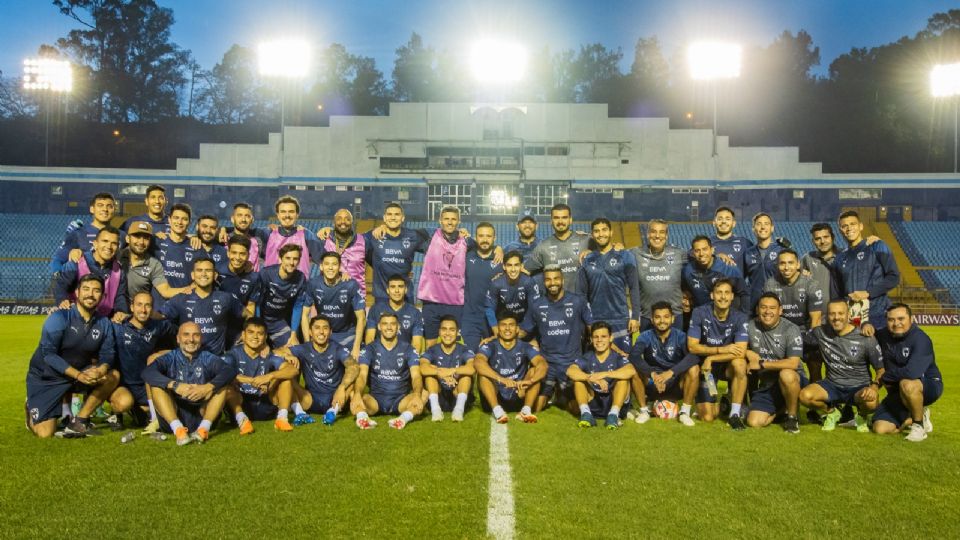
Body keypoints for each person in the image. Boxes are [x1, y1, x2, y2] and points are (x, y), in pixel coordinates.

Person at [25, 275, 126, 438]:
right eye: (86, 289)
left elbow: (108, 353)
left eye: (96, 290)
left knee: (112, 375)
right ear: (77, 293)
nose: (90, 294)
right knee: (45, 433)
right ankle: (31, 406)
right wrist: (78, 375)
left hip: (78, 374)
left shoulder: (104, 323)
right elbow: (48, 355)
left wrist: (101, 370)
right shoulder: (59, 318)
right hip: (48, 378)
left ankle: (80, 421)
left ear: (102, 296)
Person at [142, 322, 236, 445]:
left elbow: (229, 371)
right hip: (174, 414)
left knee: (222, 386)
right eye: (186, 335)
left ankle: (203, 430)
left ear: (201, 339)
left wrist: (207, 387)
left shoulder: (208, 357)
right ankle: (179, 431)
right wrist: (175, 385)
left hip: (202, 413)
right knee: (157, 385)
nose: (191, 340)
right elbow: (147, 372)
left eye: (196, 335)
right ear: (178, 338)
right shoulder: (170, 357)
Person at [799, 299, 884, 432]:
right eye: (832, 314)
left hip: (858, 387)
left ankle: (861, 416)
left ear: (848, 314)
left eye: (840, 313)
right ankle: (832, 413)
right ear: (827, 316)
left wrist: (874, 387)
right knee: (805, 396)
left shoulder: (865, 338)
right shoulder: (820, 332)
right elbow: (796, 339)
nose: (836, 317)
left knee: (871, 403)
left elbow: (881, 370)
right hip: (832, 385)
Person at [520, 265, 593, 412]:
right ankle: (551, 391)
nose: (552, 283)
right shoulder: (537, 305)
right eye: (548, 279)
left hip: (571, 363)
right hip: (548, 363)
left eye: (556, 279)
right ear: (544, 282)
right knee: (536, 407)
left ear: (563, 280)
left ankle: (562, 395)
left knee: (576, 409)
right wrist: (497, 337)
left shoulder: (578, 301)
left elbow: (593, 328)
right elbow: (523, 331)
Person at [873, 304, 942, 442]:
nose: (896, 323)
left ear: (912, 319)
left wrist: (885, 377)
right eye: (891, 320)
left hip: (928, 385)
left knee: (907, 383)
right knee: (880, 428)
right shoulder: (883, 335)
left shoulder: (921, 339)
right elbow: (869, 336)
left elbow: (912, 372)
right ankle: (914, 416)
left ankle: (918, 426)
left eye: (901, 319)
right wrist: (867, 327)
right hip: (897, 390)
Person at [688, 278, 750, 430]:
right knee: (707, 417)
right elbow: (692, 347)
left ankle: (734, 415)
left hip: (725, 365)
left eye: (727, 293)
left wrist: (711, 357)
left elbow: (740, 351)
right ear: (712, 295)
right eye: (719, 293)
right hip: (707, 369)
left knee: (740, 364)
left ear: (732, 297)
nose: (723, 297)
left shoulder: (740, 317)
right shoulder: (699, 313)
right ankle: (724, 405)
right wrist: (721, 350)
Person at [113, 291, 177, 433]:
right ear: (131, 307)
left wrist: (166, 353)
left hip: (146, 385)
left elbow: (179, 333)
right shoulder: (118, 327)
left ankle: (141, 410)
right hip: (125, 385)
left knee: (172, 409)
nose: (143, 310)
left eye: (147, 305)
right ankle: (117, 414)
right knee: (123, 403)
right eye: (139, 305)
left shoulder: (157, 326)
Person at [628, 301, 700, 427]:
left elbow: (693, 356)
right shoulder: (645, 336)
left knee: (694, 368)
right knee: (633, 369)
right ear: (652, 319)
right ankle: (644, 411)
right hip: (652, 385)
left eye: (666, 317)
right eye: (657, 317)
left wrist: (670, 373)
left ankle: (685, 412)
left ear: (672, 319)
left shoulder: (681, 336)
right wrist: (652, 374)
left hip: (675, 384)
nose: (662, 321)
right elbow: (633, 356)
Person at [224, 318, 299, 435]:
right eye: (251, 332)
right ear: (243, 335)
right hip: (242, 403)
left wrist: (269, 376)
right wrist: (250, 380)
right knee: (226, 386)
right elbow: (222, 373)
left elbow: (293, 370)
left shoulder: (268, 355)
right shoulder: (232, 354)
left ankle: (282, 419)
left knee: (286, 380)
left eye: (260, 334)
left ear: (265, 337)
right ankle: (242, 421)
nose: (255, 337)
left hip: (265, 404)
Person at [743, 293, 806, 433]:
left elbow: (793, 363)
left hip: (794, 380)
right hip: (768, 384)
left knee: (786, 374)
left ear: (780, 310)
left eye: (772, 308)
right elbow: (737, 347)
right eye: (763, 307)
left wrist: (761, 364)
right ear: (757, 309)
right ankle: (782, 409)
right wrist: (747, 352)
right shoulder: (750, 326)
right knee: (754, 422)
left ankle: (792, 417)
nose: (767, 312)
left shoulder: (791, 329)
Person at [351, 313, 425, 430]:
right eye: (385, 324)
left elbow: (416, 376)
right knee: (354, 394)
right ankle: (363, 419)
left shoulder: (409, 349)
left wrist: (416, 395)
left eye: (393, 324)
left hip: (401, 400)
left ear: (398, 327)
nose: (389, 327)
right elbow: (362, 376)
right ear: (379, 327)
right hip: (375, 401)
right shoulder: (369, 349)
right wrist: (357, 394)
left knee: (423, 394)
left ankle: (402, 419)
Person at [578, 218, 641, 352]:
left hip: (621, 319)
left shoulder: (625, 256)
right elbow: (581, 294)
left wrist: (635, 316)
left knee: (623, 361)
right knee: (598, 364)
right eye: (596, 231)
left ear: (611, 232)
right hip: (596, 320)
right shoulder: (587, 260)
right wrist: (587, 321)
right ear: (592, 234)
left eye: (604, 230)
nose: (601, 234)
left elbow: (634, 287)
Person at [159, 258, 245, 355]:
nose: (203, 274)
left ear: (215, 275)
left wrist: (245, 332)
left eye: (208, 270)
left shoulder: (226, 298)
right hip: (188, 359)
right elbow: (160, 316)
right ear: (192, 275)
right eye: (199, 270)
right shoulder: (180, 299)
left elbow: (247, 314)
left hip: (215, 359)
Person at [285, 315, 360, 426]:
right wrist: (287, 356)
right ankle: (300, 413)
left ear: (330, 332)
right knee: (285, 376)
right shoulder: (303, 348)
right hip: (309, 399)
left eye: (325, 328)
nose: (321, 332)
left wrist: (341, 387)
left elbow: (354, 367)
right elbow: (278, 351)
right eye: (317, 328)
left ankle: (336, 413)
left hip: (336, 399)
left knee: (353, 380)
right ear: (310, 332)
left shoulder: (338, 348)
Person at [834, 210, 900, 336]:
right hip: (853, 318)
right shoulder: (840, 258)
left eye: (852, 224)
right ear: (840, 230)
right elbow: (839, 292)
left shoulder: (876, 246)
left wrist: (868, 293)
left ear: (861, 226)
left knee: (882, 354)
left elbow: (894, 277)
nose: (849, 228)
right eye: (844, 226)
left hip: (878, 315)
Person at [474, 312, 547, 423]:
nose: (507, 328)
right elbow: (478, 362)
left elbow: (542, 364)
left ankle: (525, 411)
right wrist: (501, 379)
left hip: (519, 394)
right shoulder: (490, 345)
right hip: (496, 394)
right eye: (503, 325)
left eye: (511, 325)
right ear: (498, 329)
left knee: (534, 371)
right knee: (482, 375)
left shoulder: (526, 346)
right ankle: (497, 411)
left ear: (517, 329)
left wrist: (530, 381)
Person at [764, 249, 824, 384]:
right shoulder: (770, 284)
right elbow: (770, 315)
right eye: (782, 263)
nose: (786, 267)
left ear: (798, 265)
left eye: (790, 263)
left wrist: (810, 338)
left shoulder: (811, 284)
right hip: (781, 331)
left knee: (815, 357)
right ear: (777, 265)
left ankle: (815, 392)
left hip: (805, 330)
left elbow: (816, 319)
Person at [567, 322, 636, 429]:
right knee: (578, 381)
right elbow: (570, 371)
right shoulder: (587, 357)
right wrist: (590, 377)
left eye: (603, 336)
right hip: (594, 402)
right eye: (596, 337)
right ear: (591, 339)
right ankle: (586, 414)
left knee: (623, 380)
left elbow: (631, 371)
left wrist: (604, 374)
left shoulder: (617, 357)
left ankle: (613, 415)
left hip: (613, 402)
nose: (599, 340)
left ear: (610, 338)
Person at [54, 226, 128, 321]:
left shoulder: (119, 270)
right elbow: (61, 284)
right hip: (76, 320)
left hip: (104, 321)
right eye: (105, 241)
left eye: (114, 243)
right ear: (95, 244)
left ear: (118, 247)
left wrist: (120, 311)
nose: (109, 246)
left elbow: (120, 296)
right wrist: (62, 300)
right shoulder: (77, 262)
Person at [302, 251, 366, 361]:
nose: (330, 268)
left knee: (352, 366)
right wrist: (308, 343)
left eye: (334, 264)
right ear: (321, 267)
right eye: (327, 264)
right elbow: (304, 315)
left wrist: (356, 347)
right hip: (325, 334)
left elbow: (361, 317)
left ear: (340, 267)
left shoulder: (350, 284)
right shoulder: (313, 284)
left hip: (346, 335)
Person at [362, 203, 429, 304]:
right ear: (384, 218)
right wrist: (330, 232)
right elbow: (350, 241)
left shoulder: (412, 236)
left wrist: (458, 234)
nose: (393, 217)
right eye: (389, 214)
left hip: (405, 295)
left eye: (397, 214)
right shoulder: (374, 235)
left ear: (403, 218)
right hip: (382, 296)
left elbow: (436, 242)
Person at [631, 219, 686, 332]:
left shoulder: (678, 254)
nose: (657, 236)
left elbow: (701, 257)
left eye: (661, 232)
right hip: (648, 316)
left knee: (675, 349)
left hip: (674, 316)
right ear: (647, 234)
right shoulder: (636, 253)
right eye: (653, 231)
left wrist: (716, 256)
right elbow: (615, 253)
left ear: (666, 235)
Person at [524, 203, 591, 295]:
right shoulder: (543, 246)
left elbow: (608, 249)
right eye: (556, 218)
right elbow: (524, 270)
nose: (560, 221)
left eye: (564, 217)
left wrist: (617, 245)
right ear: (551, 221)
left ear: (570, 220)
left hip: (581, 303)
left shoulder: (585, 240)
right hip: (554, 304)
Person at [420, 316, 476, 422]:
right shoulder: (432, 350)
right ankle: (436, 410)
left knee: (466, 376)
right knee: (429, 376)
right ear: (439, 332)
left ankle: (459, 410)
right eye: (444, 329)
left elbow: (472, 367)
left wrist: (452, 371)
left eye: (452, 330)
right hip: (439, 394)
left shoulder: (464, 349)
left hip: (457, 394)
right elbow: (422, 367)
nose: (447, 333)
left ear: (457, 332)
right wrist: (440, 373)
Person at [251, 244, 308, 347]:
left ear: (299, 261)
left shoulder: (300, 278)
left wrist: (293, 334)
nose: (291, 262)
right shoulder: (266, 274)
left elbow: (297, 306)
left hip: (278, 322)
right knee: (258, 349)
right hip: (261, 319)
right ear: (280, 258)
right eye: (288, 258)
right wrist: (259, 326)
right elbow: (257, 303)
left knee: (294, 348)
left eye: (295, 259)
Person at [120, 221, 192, 302]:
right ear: (127, 238)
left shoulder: (153, 264)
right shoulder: (116, 257)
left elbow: (166, 291)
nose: (141, 242)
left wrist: (192, 288)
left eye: (146, 238)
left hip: (136, 311)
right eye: (137, 236)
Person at [51, 192, 117, 273]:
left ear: (115, 209)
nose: (105, 209)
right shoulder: (78, 233)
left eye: (109, 206)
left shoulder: (122, 235)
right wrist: (57, 278)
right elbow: (58, 260)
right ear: (92, 209)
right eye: (100, 205)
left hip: (113, 284)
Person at [461, 222, 502, 352]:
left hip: (494, 318)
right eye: (481, 236)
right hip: (470, 317)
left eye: (488, 236)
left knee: (493, 359)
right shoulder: (465, 256)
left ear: (494, 238)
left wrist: (500, 249)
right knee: (470, 357)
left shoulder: (502, 260)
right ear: (475, 237)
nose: (484, 239)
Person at [682, 235, 749, 313]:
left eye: (705, 249)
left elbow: (745, 293)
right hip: (702, 316)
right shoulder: (688, 271)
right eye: (697, 250)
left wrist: (743, 315)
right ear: (693, 253)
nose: (701, 254)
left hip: (726, 316)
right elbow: (683, 289)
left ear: (712, 250)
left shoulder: (728, 269)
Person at [263, 195, 327, 276]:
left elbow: (327, 260)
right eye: (283, 212)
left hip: (300, 287)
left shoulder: (306, 235)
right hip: (270, 287)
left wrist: (330, 231)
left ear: (297, 214)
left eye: (291, 211)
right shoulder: (266, 234)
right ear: (278, 215)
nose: (287, 215)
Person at [485, 250, 541, 339]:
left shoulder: (529, 282)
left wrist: (525, 329)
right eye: (509, 265)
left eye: (516, 265)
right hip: (504, 324)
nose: (513, 269)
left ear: (521, 266)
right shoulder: (496, 284)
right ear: (504, 266)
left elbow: (535, 307)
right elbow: (489, 308)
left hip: (524, 323)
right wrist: (495, 328)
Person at [365, 274, 424, 351]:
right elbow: (370, 337)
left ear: (405, 289)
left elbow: (417, 343)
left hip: (405, 358)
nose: (396, 291)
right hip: (380, 356)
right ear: (388, 290)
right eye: (393, 287)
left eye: (400, 286)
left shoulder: (415, 313)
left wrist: (410, 359)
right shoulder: (375, 309)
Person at [155, 203, 199, 304]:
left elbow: (210, 273)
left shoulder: (196, 247)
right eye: (176, 218)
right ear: (169, 220)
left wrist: (195, 285)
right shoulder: (156, 242)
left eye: (184, 219)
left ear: (189, 222)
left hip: (185, 305)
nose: (179, 222)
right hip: (158, 306)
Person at [320, 208, 368, 297]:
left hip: (356, 299)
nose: (343, 222)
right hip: (329, 297)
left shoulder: (364, 241)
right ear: (334, 222)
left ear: (352, 222)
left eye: (347, 219)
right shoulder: (323, 240)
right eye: (339, 219)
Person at [744, 213, 786, 309]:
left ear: (772, 228)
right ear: (753, 229)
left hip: (778, 303)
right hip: (754, 305)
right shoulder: (748, 253)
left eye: (766, 224)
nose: (762, 227)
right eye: (759, 224)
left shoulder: (781, 250)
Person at [801, 223, 841, 307]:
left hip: (841, 313)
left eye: (826, 237)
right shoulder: (807, 259)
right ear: (813, 241)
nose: (822, 241)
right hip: (817, 314)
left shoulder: (844, 255)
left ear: (833, 237)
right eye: (818, 239)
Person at [710, 206, 753, 275]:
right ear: (714, 223)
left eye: (728, 219)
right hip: (713, 285)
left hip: (738, 285)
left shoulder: (744, 243)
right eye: (720, 219)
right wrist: (714, 257)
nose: (723, 221)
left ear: (734, 223)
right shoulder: (706, 243)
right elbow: (691, 258)